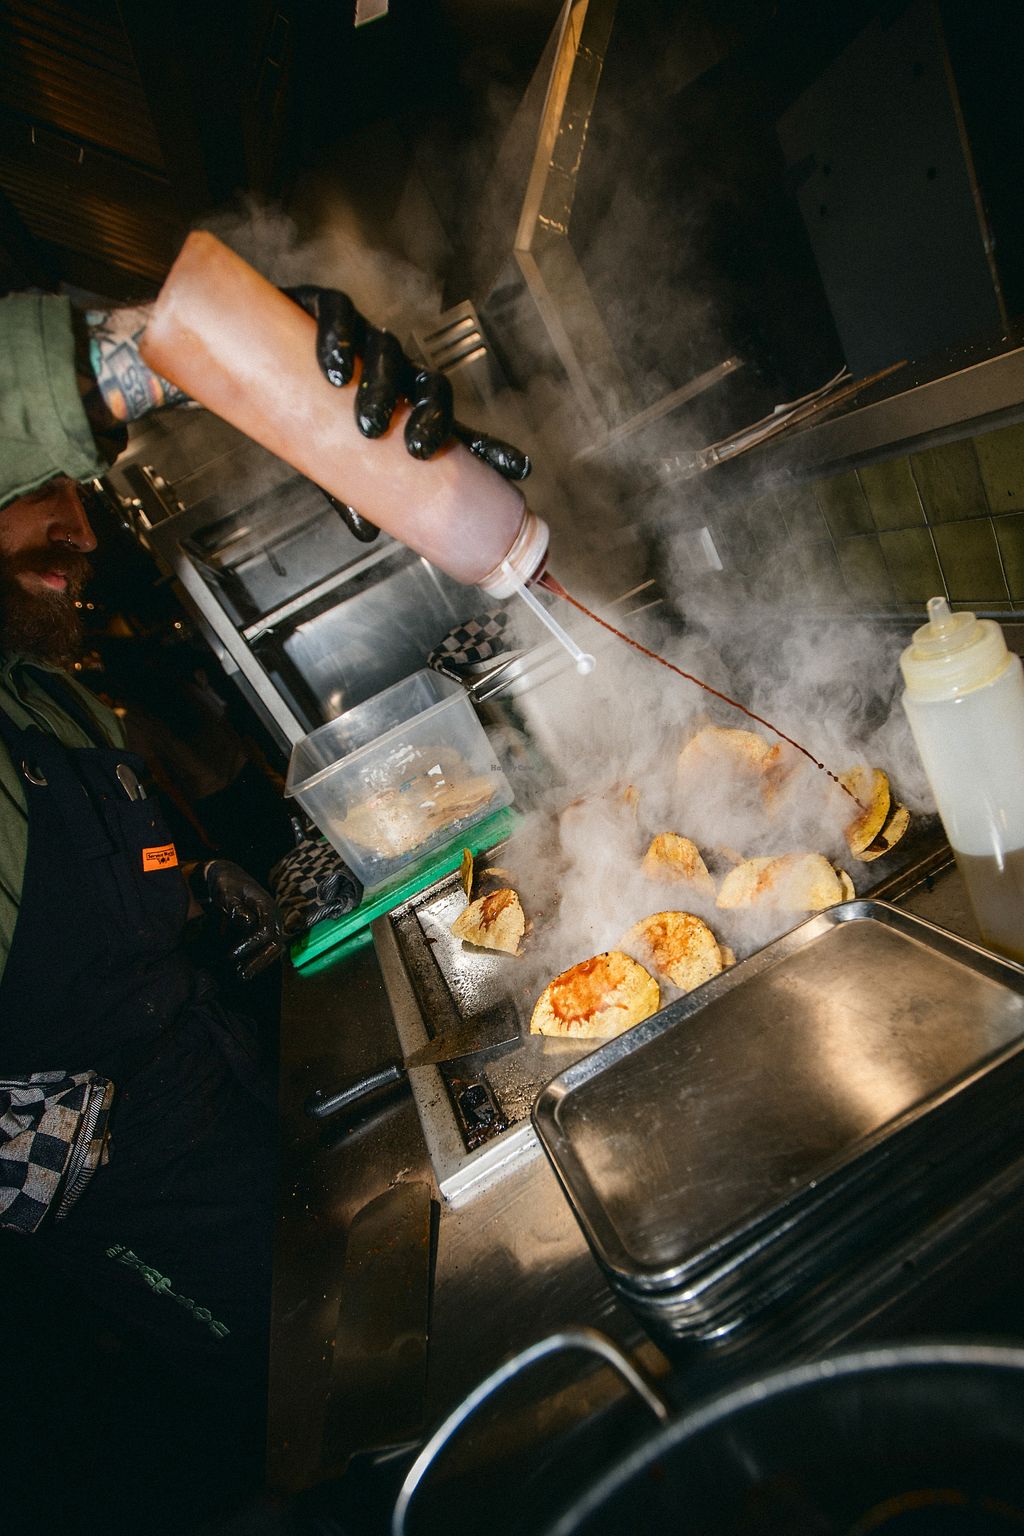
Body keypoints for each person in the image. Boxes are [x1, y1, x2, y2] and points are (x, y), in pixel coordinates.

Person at [0, 277, 530, 1532]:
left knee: (415, 1329)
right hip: (127, 1186)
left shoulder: (44, 700)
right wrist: (164, 346)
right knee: (341, 1409)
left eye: (78, 494)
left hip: (222, 1082)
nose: (77, 529)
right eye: (39, 491)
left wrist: (198, 889)